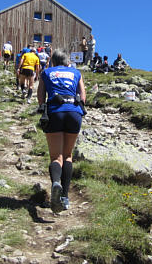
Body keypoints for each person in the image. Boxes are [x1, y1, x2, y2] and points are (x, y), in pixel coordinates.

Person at [37, 49, 86, 213]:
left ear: (53, 61)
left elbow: (40, 95)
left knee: (55, 156)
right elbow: (83, 97)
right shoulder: (76, 72)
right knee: (68, 155)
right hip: (74, 112)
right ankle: (65, 197)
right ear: (67, 61)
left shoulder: (46, 72)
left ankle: (56, 183)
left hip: (54, 113)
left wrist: (41, 107)